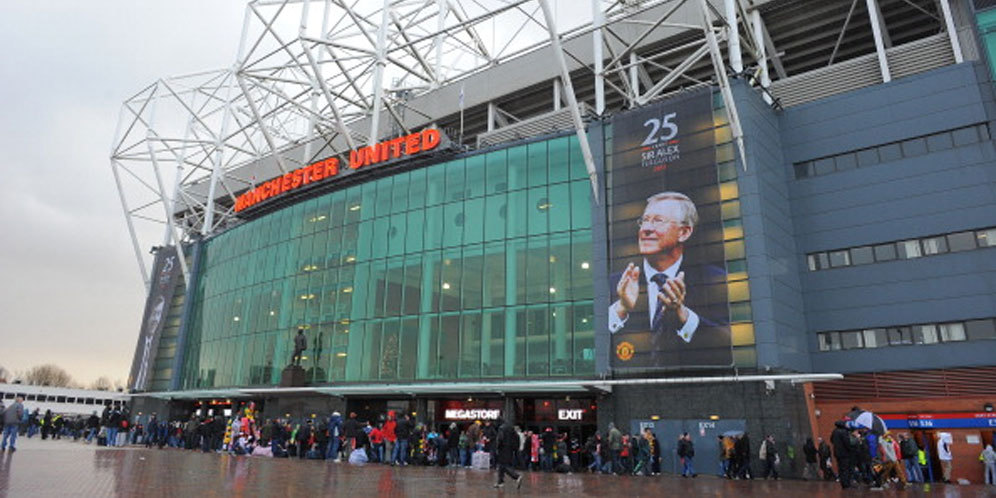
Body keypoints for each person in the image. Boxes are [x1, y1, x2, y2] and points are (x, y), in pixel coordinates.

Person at [608, 192, 729, 367]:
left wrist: (683, 315)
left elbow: (730, 344)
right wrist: (622, 308)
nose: (646, 229)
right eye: (644, 221)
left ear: (684, 232)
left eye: (658, 221)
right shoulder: (616, 283)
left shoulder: (715, 280)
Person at [493, 419, 523, 489]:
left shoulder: (501, 428)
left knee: (503, 465)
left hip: (503, 449)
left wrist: (497, 447)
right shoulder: (511, 428)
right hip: (510, 449)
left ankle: (516, 476)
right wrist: (515, 448)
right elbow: (517, 437)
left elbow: (500, 438)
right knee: (501, 466)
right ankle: (500, 482)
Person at [831, 421, 855, 489]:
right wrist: (851, 449)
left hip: (837, 453)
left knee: (841, 468)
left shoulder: (835, 431)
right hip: (845, 453)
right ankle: (846, 484)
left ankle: (843, 483)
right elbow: (847, 442)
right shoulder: (844, 432)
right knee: (845, 468)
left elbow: (831, 440)